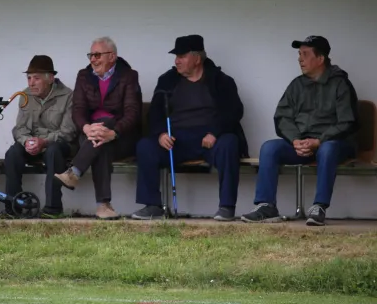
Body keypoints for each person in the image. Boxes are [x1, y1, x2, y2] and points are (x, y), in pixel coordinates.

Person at [242, 35, 358, 226]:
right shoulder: (297, 85)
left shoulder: (340, 84)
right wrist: (295, 140)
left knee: (327, 149)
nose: (299, 59)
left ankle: (319, 207)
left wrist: (319, 141)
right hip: (302, 145)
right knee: (269, 148)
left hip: (333, 144)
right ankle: (266, 206)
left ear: (320, 59)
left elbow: (348, 122)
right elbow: (282, 117)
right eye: (299, 54)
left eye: (305, 54)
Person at [132, 34, 248, 221]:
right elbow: (154, 113)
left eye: (182, 56)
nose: (177, 61)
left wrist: (215, 132)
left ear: (197, 59)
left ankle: (226, 207)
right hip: (176, 141)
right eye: (176, 56)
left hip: (209, 139)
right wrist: (161, 133)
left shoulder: (221, 80)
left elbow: (234, 111)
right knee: (145, 146)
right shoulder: (167, 80)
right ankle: (152, 205)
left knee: (230, 143)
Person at [54, 36, 142, 220]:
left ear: (112, 56)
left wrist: (114, 132)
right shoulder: (84, 76)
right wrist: (86, 128)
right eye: (90, 55)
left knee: (105, 127)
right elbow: (77, 109)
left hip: (121, 137)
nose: (92, 59)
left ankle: (75, 172)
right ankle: (103, 206)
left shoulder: (128, 76)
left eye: (97, 55)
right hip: (89, 136)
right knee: (100, 142)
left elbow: (132, 112)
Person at [3, 55, 77, 218]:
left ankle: (53, 208)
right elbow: (19, 129)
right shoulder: (25, 95)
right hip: (33, 145)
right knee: (13, 153)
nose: (31, 83)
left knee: (53, 151)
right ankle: (14, 206)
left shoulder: (68, 96)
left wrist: (44, 142)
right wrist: (27, 141)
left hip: (59, 144)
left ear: (50, 78)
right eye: (29, 78)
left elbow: (68, 132)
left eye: (36, 78)